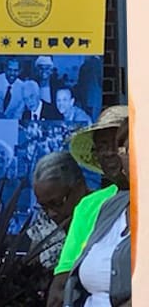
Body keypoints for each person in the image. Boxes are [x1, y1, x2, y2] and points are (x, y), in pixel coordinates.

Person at [50, 106, 128, 305]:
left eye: (116, 144)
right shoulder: (91, 205)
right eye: (101, 146)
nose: (110, 153)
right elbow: (63, 280)